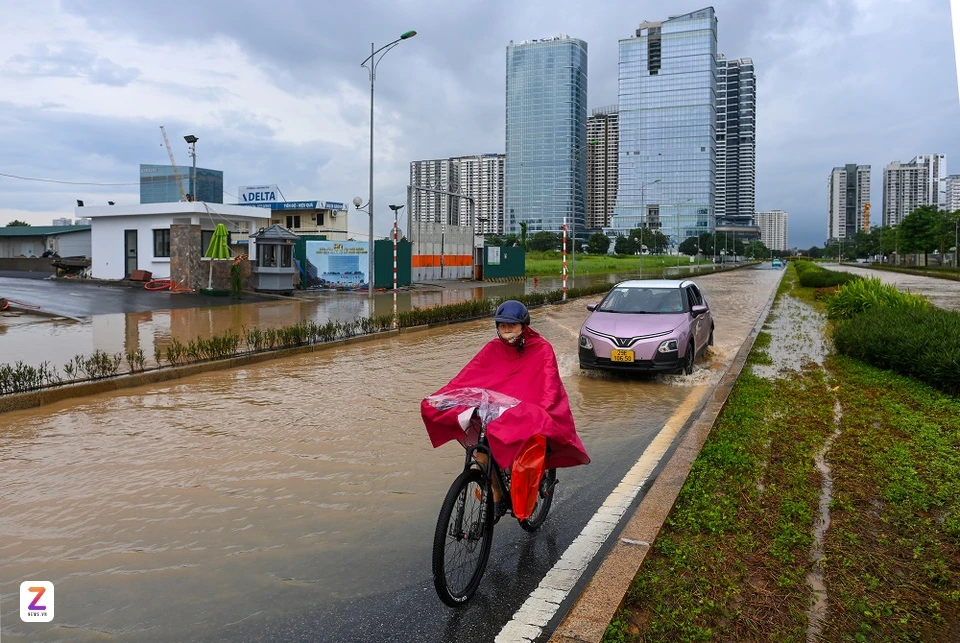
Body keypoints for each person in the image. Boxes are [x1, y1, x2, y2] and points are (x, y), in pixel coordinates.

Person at [421, 300, 590, 521]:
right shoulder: (493, 348)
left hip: (525, 411)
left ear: (523, 325)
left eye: (511, 325)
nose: (506, 330)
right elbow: (468, 377)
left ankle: (525, 492)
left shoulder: (542, 349)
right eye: (501, 326)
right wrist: (445, 396)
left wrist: (537, 409)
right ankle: (497, 494)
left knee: (527, 449)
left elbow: (548, 385)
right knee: (481, 453)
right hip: (498, 411)